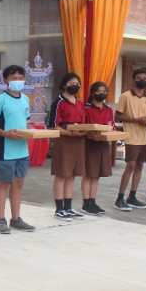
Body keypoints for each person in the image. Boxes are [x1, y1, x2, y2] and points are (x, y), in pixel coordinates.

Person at [0, 65, 36, 234]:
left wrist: (32, 131)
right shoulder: (0, 99)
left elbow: (25, 121)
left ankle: (16, 219)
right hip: (4, 149)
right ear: (6, 81)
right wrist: (7, 134)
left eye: (21, 78)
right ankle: (0, 219)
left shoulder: (25, 99)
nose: (18, 81)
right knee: (3, 183)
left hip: (22, 150)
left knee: (18, 183)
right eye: (14, 78)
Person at [48, 72, 87, 221]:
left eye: (77, 84)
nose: (75, 86)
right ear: (64, 85)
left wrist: (84, 131)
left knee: (72, 175)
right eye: (71, 84)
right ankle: (59, 209)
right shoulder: (58, 102)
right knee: (62, 174)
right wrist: (69, 133)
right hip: (64, 139)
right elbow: (53, 125)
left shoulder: (80, 103)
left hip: (78, 140)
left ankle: (68, 207)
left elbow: (83, 122)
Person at [114, 69, 146, 211]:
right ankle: (120, 198)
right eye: (139, 78)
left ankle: (132, 196)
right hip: (131, 136)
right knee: (130, 165)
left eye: (145, 78)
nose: (142, 80)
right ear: (134, 79)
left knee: (140, 166)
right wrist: (136, 120)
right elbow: (118, 116)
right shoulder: (125, 96)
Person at [81, 81, 114, 216]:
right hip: (90, 144)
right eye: (99, 91)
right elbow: (82, 126)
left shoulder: (108, 109)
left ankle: (93, 200)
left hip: (103, 144)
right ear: (93, 93)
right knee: (89, 173)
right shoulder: (86, 108)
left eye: (104, 91)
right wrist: (90, 133)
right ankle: (86, 203)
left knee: (97, 174)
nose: (102, 94)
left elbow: (112, 126)